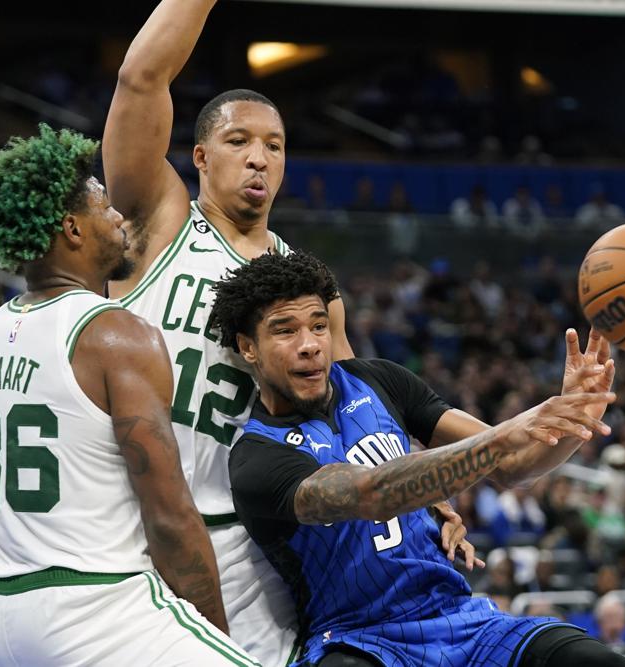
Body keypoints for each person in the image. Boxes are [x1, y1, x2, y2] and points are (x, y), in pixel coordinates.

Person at [102, 1, 375, 662]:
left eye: (274, 146)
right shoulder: (159, 220)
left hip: (244, 539)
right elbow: (140, 78)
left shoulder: (306, 288)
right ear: (199, 156)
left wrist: (423, 499)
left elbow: (358, 420)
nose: (258, 158)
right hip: (124, 521)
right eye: (239, 141)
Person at [213, 250, 625, 667]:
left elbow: (512, 468)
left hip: (459, 620)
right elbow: (371, 494)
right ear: (249, 347)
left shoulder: (377, 379)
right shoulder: (258, 458)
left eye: (319, 326)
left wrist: (577, 420)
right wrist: (503, 436)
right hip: (358, 638)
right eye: (285, 331)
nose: (309, 346)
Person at [0, 124, 256, 665]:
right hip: (92, 605)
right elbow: (168, 517)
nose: (120, 217)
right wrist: (216, 638)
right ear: (73, 229)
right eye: (105, 207)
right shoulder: (114, 332)